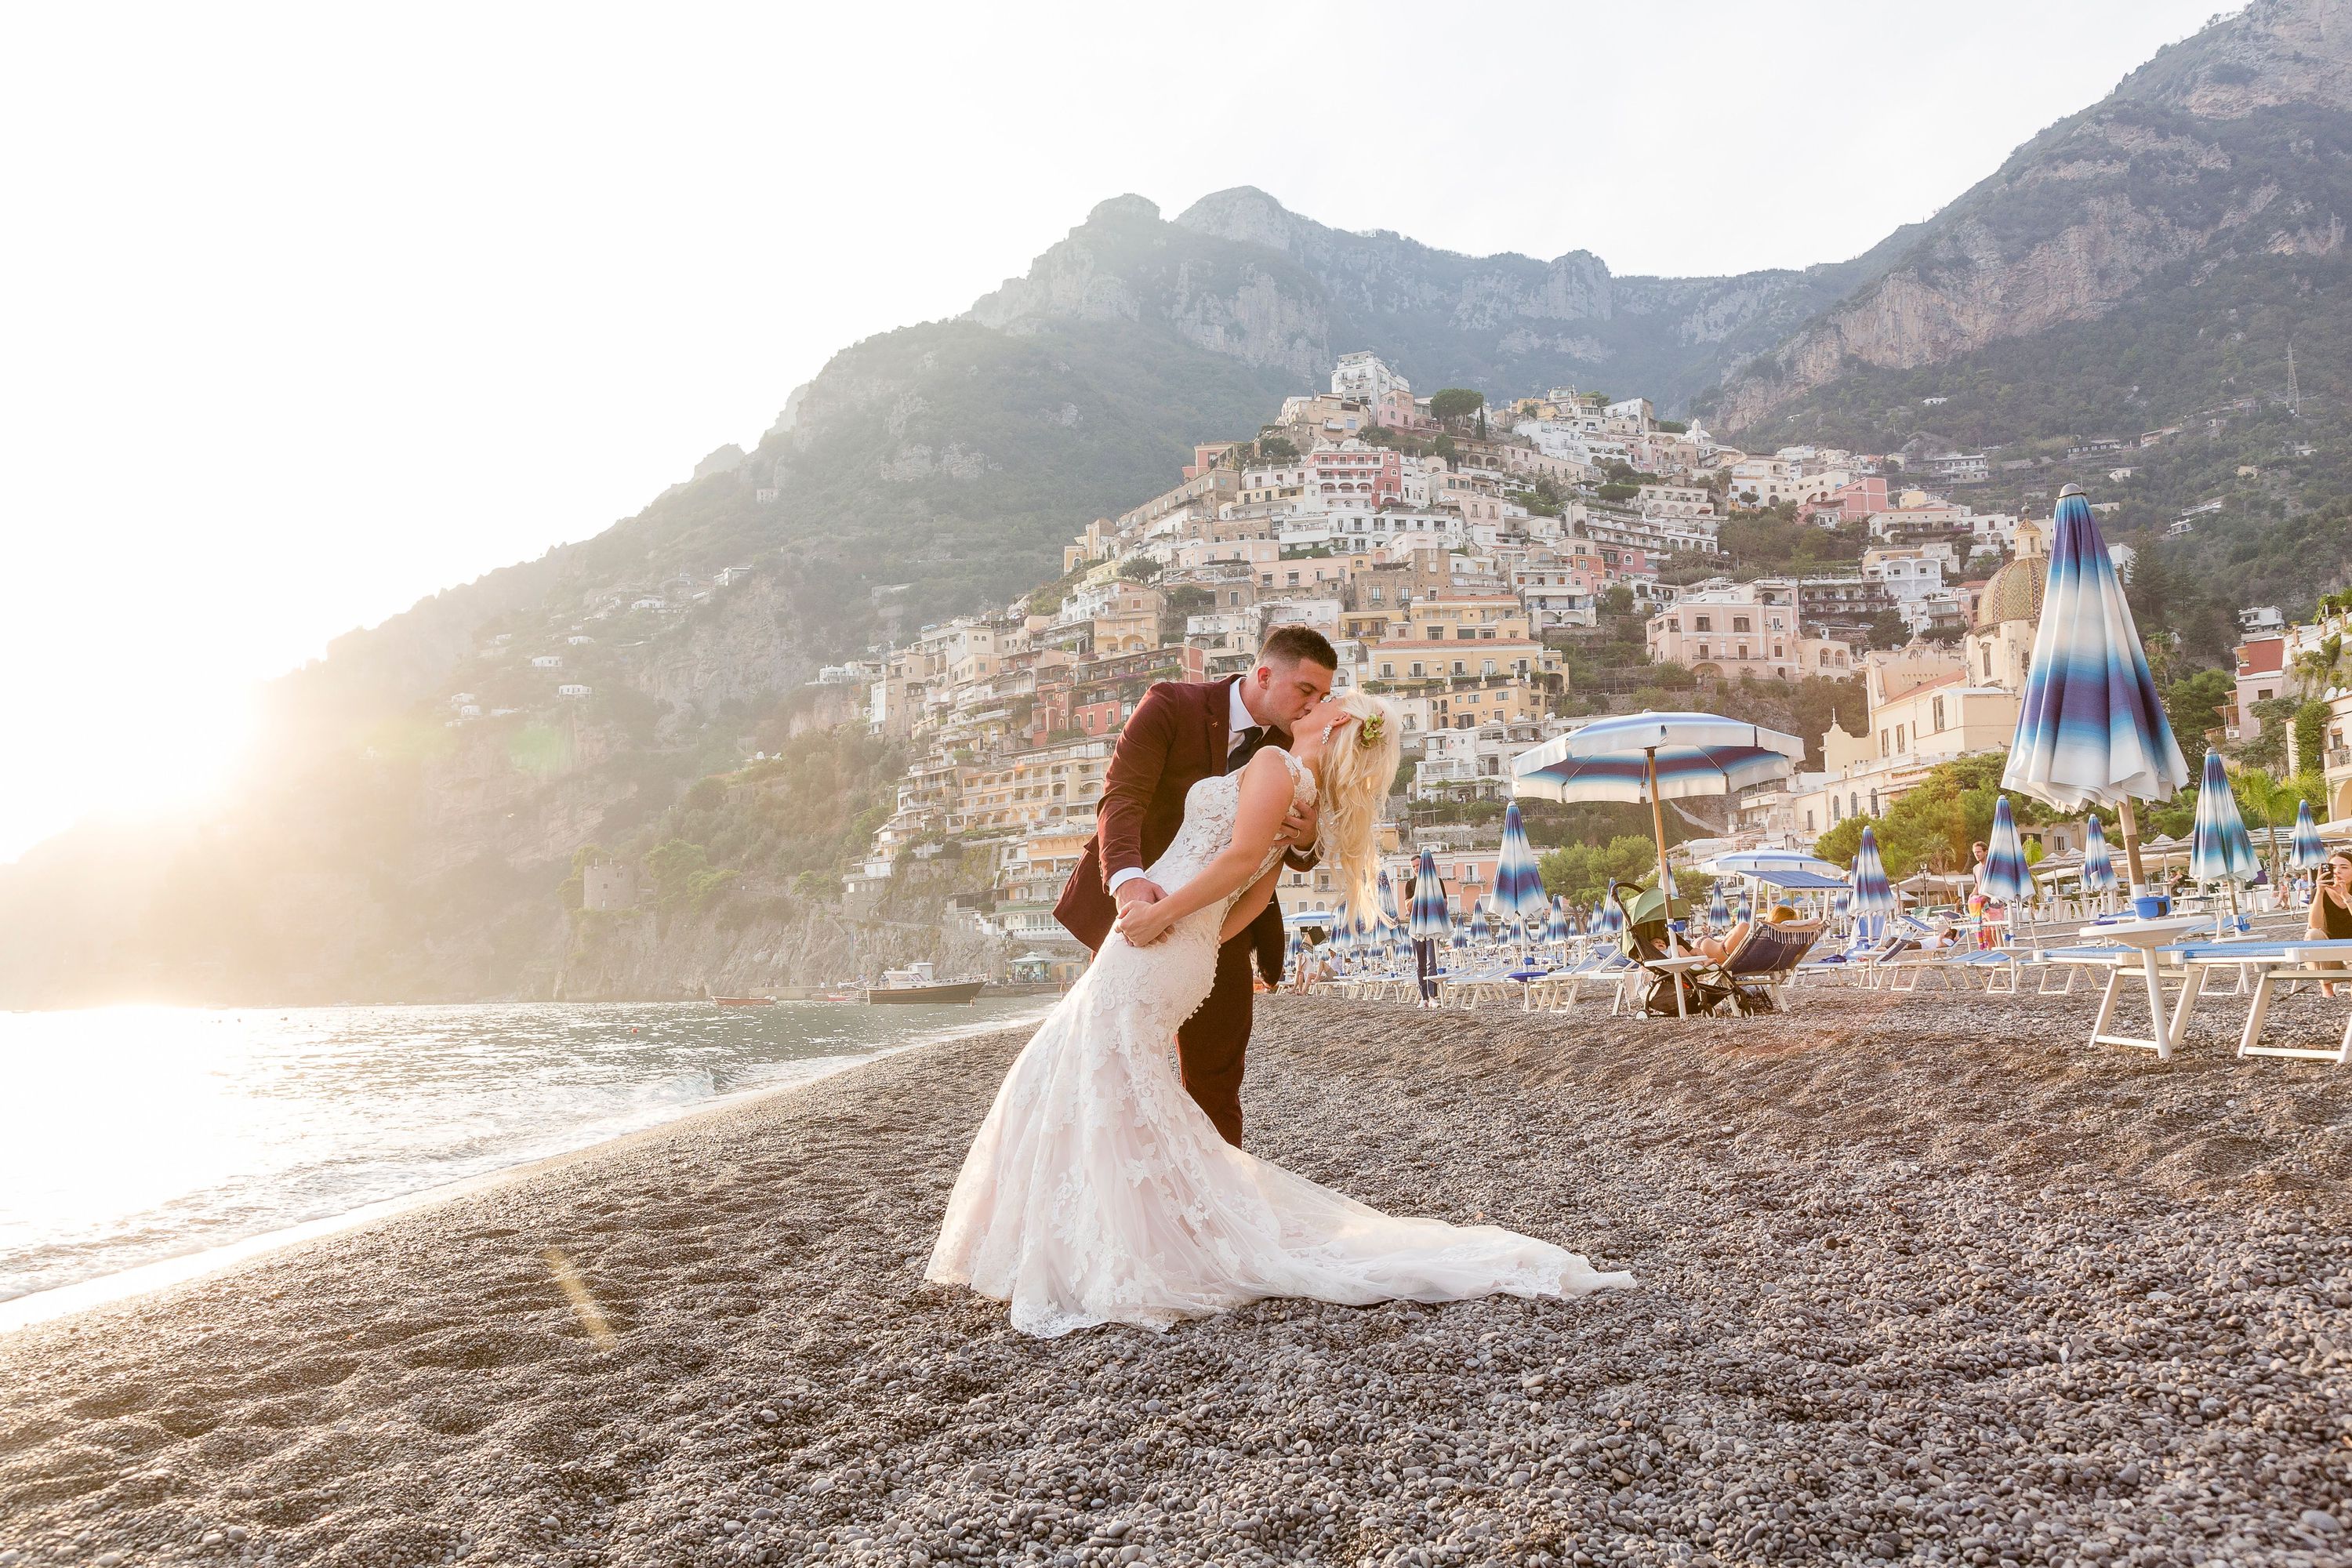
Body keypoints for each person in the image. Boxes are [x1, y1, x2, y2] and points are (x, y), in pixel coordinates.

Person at [930, 688, 1633, 1337]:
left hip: (1157, 934)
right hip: (1174, 948)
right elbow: (1250, 901)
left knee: (1098, 1078)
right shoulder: (1303, 806)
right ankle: (1108, 1237)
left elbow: (1237, 863)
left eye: (1325, 698)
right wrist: (1190, 940)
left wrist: (1160, 918)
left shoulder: (1273, 763)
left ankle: (1101, 1247)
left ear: (1330, 725)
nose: (1313, 700)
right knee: (1104, 1079)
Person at [1050, 626, 1332, 1147]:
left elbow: (1289, 849)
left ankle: (1215, 1214)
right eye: (1306, 691)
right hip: (1140, 911)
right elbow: (1121, 799)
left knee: (1216, 1082)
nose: (1314, 705)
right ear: (1265, 675)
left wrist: (1306, 839)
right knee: (1111, 1063)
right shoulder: (1170, 704)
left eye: (1323, 696)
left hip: (1222, 927)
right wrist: (1129, 885)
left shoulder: (1301, 743)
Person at [2304, 849, 2352, 996]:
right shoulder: (2319, 892)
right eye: (2333, 867)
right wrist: (2320, 891)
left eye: (2344, 867)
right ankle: (2327, 987)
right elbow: (2315, 925)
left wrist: (2345, 895)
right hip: (2329, 957)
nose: (2338, 871)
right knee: (2313, 934)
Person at [1693, 903, 1800, 965]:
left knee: (1742, 927)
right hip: (1722, 953)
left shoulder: (1747, 928)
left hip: (1705, 948)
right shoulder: (1781, 946)